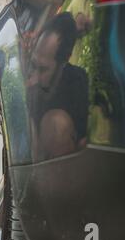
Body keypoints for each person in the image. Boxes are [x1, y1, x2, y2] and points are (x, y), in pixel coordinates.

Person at [26, 12, 89, 161]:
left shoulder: (78, 83)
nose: (33, 79)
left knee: (55, 124)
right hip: (33, 165)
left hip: (66, 171)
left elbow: (83, 143)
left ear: (64, 61)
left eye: (43, 69)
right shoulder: (27, 82)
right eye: (33, 65)